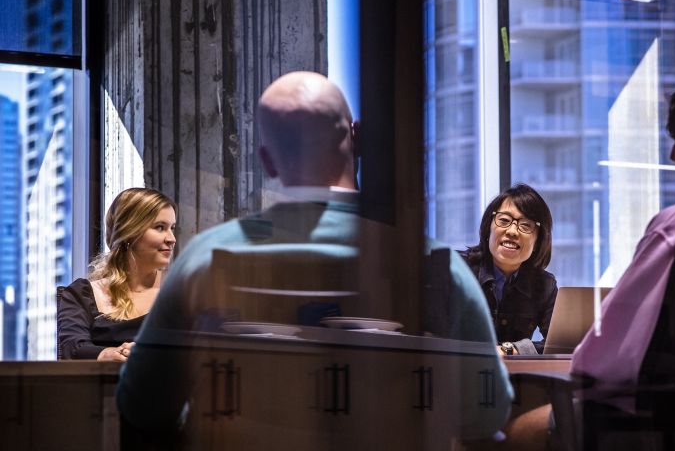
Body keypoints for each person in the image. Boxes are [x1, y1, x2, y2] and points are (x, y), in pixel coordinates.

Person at [116, 71, 512, 441]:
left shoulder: (206, 257)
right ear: (356, 139)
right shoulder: (431, 261)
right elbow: (486, 412)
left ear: (267, 161)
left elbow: (143, 405)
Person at [500, 74, 675, 450]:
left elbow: (596, 363)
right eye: (503, 221)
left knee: (512, 435)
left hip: (639, 422)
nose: (673, 154)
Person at [57, 187, 177, 360]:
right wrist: (109, 354)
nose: (171, 238)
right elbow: (72, 348)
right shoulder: (81, 294)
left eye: (172, 228)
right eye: (160, 227)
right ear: (129, 233)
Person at [461, 184, 557, 355]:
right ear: (487, 229)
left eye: (526, 225)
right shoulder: (457, 270)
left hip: (514, 379)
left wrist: (511, 350)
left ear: (538, 241)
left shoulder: (544, 286)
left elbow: (558, 344)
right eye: (504, 220)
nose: (512, 231)